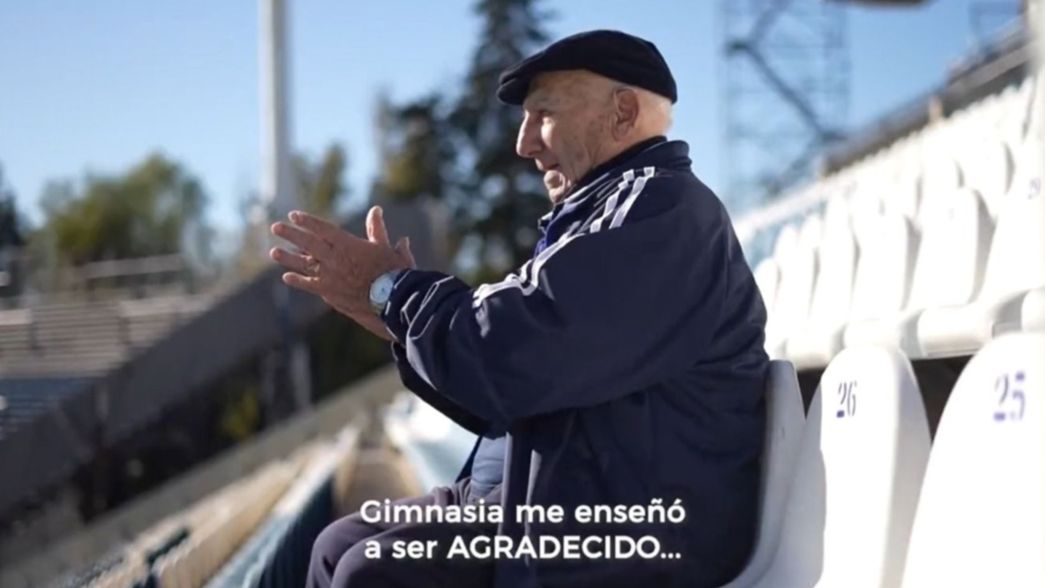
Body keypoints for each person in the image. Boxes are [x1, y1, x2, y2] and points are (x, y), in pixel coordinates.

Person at [271, 29, 768, 588]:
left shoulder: (662, 210)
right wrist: (399, 326)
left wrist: (395, 292)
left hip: (630, 533)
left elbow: (516, 353)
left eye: (544, 114)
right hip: (551, 505)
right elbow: (505, 396)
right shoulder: (604, 215)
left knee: (371, 573)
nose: (524, 143)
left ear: (624, 113)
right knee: (338, 544)